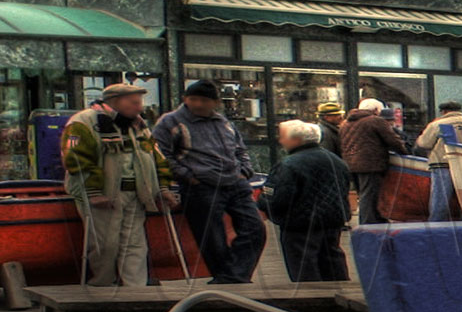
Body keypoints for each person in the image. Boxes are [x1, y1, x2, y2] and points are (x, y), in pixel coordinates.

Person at [152, 84, 265, 285]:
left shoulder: (223, 122)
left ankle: (233, 276)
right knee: (212, 237)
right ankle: (227, 278)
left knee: (255, 229)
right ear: (185, 99)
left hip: (234, 183)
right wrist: (188, 176)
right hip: (201, 185)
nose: (197, 104)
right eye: (192, 99)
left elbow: (240, 149)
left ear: (215, 103)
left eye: (204, 100)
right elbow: (161, 154)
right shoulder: (170, 122)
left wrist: (244, 171)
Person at [59, 84, 168, 286]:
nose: (139, 108)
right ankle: (102, 285)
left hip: (135, 193)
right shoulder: (82, 122)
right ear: (116, 101)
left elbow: (155, 155)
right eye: (134, 103)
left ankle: (135, 290)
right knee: (105, 244)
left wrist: (163, 187)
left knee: (135, 244)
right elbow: (74, 158)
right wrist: (92, 191)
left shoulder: (138, 125)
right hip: (103, 193)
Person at [265, 120, 348, 282]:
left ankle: (311, 301)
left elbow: (279, 197)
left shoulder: (289, 164)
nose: (281, 141)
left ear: (296, 140)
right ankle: (340, 293)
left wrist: (264, 204)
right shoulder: (336, 161)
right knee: (332, 260)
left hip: (299, 224)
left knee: (303, 266)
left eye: (283, 137)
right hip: (332, 220)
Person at [334, 100, 398, 224]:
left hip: (351, 164)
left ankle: (373, 220)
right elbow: (392, 139)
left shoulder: (346, 123)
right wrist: (405, 151)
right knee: (370, 195)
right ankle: (369, 223)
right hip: (371, 163)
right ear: (375, 110)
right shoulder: (375, 121)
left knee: (363, 194)